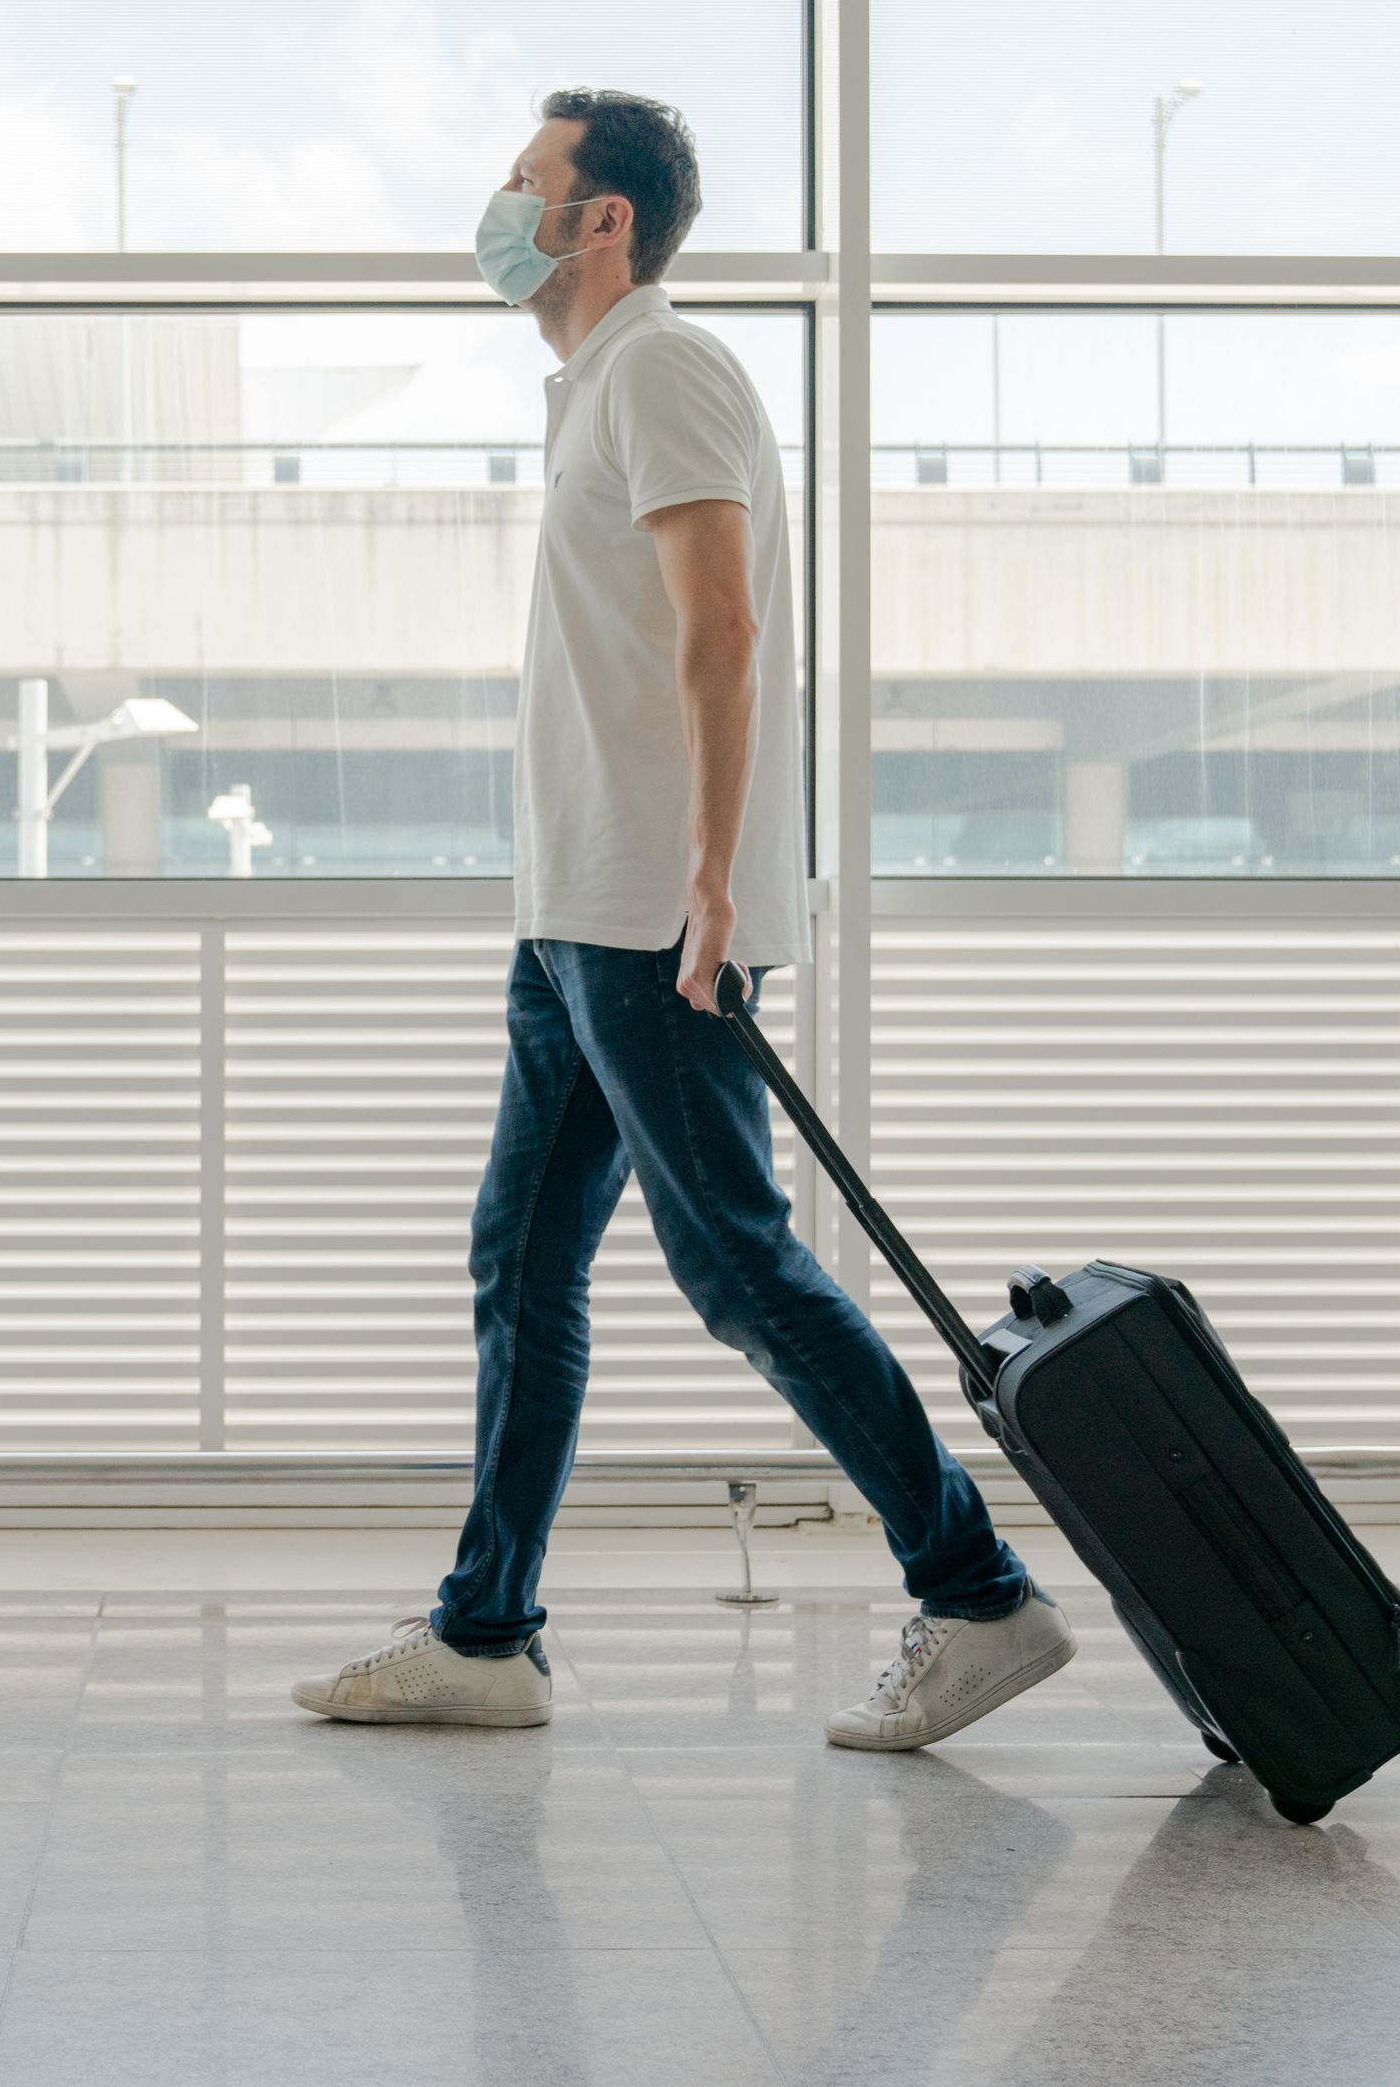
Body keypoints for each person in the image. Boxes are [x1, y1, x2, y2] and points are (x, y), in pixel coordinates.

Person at [292, 88, 1076, 1752]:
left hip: (652, 915)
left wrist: (715, 882)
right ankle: (486, 1632)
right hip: (575, 914)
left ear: (603, 220)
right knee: (523, 1260)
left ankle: (981, 1593)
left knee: (737, 1266)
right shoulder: (592, 390)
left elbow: (718, 622)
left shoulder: (660, 365)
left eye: (526, 180)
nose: (497, 203)